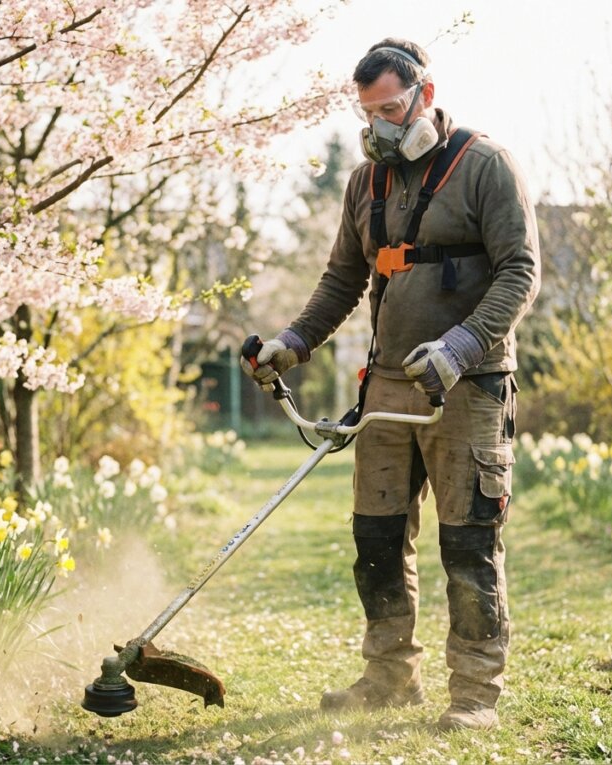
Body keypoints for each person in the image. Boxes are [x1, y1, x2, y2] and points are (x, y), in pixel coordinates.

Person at [240, 38, 540, 731]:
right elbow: (344, 279)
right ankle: (388, 673)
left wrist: (462, 344)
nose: (380, 126)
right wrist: (293, 342)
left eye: (392, 109)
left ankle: (473, 692)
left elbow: (520, 272)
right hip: (387, 385)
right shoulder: (364, 184)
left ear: (425, 97)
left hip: (470, 387)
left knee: (468, 543)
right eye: (368, 113)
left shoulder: (486, 166)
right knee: (375, 538)